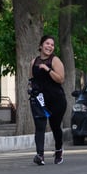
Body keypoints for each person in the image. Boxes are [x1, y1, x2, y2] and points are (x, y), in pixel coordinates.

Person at [29, 35, 67, 165]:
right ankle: (40, 155)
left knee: (55, 126)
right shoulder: (34, 62)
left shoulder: (55, 60)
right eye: (47, 43)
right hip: (40, 99)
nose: (49, 46)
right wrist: (31, 89)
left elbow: (61, 79)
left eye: (52, 45)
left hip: (56, 99)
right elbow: (32, 79)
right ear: (41, 46)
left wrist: (48, 69)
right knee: (40, 126)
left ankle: (58, 150)